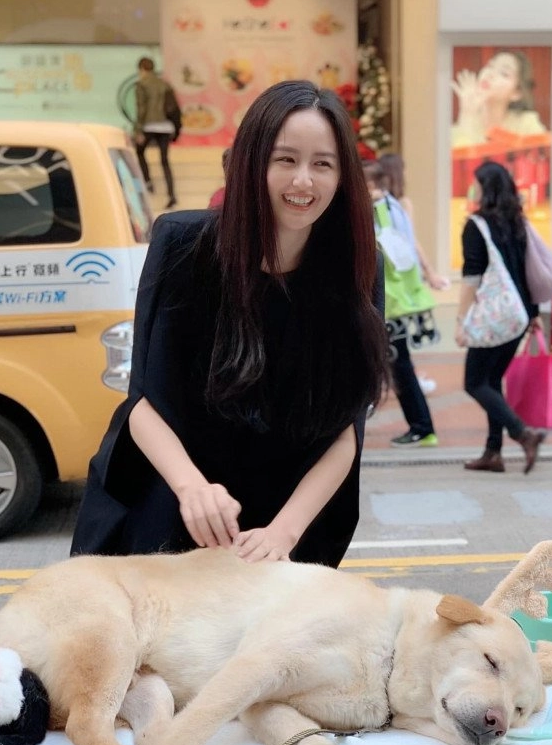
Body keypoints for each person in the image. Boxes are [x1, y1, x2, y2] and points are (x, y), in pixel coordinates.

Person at [71, 80, 388, 567]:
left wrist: (283, 534)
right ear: (251, 163)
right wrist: (191, 489)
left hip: (282, 513)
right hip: (171, 490)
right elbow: (142, 400)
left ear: (343, 177)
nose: (303, 181)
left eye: (322, 164)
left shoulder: (357, 268)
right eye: (285, 160)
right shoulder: (182, 245)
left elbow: (347, 427)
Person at [454, 161, 545, 474]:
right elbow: (525, 271)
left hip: (496, 315)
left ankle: (522, 433)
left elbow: (471, 278)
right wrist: (533, 314)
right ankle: (493, 453)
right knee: (492, 381)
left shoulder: (476, 225)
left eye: (476, 182)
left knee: (474, 382)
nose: (473, 187)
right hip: (518, 315)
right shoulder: (517, 221)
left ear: (487, 187)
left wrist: (461, 320)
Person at [364, 161, 439, 447]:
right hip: (398, 301)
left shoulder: (380, 211)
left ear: (371, 186)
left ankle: (422, 426)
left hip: (390, 303)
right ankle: (421, 425)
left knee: (399, 365)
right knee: (394, 364)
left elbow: (384, 254)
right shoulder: (395, 206)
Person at [379, 152, 450, 394]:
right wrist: (429, 272)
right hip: (400, 277)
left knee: (390, 333)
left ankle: (394, 378)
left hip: (387, 278)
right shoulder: (400, 203)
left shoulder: (384, 204)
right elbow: (411, 241)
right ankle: (404, 379)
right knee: (396, 334)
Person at [451, 50, 547, 149]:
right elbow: (461, 160)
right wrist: (467, 114)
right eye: (490, 66)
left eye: (503, 73)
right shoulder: (459, 126)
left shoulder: (526, 124)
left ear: (516, 93)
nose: (490, 74)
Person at [134, 57, 181, 209]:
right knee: (164, 160)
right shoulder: (164, 84)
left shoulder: (141, 85)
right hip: (166, 127)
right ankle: (172, 195)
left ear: (141, 69)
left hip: (149, 125)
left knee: (140, 152)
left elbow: (141, 109)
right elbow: (174, 107)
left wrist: (138, 129)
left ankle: (148, 182)